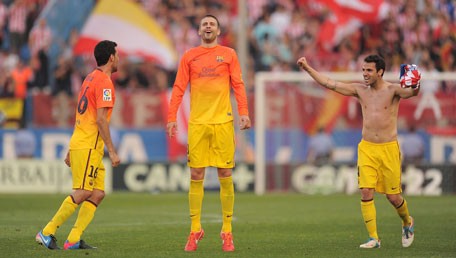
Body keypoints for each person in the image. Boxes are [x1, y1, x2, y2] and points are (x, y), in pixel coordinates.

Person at [297, 54, 419, 249]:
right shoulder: (360, 90)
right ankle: (374, 238)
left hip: (388, 149)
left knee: (393, 197)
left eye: (369, 70)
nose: (365, 74)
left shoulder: (393, 90)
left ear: (380, 72)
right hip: (367, 148)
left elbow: (412, 93)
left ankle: (407, 222)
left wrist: (416, 84)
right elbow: (331, 84)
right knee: (365, 191)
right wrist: (307, 68)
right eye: (363, 70)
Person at [167, 14, 251, 252]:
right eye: (204, 24)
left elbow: (238, 84)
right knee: (196, 174)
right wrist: (172, 117)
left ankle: (227, 231)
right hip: (198, 124)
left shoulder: (229, 54)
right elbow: (179, 87)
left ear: (218, 30)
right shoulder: (189, 56)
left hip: (223, 123)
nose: (207, 26)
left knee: (225, 172)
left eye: (212, 24)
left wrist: (243, 112)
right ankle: (195, 229)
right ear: (199, 31)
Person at [35, 40, 120, 250]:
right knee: (82, 191)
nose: (119, 58)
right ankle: (46, 231)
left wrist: (70, 148)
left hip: (83, 143)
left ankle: (73, 239)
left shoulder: (89, 78)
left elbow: (81, 115)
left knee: (98, 192)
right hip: (89, 145)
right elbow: (100, 120)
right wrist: (112, 150)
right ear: (111, 57)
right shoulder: (105, 84)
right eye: (117, 54)